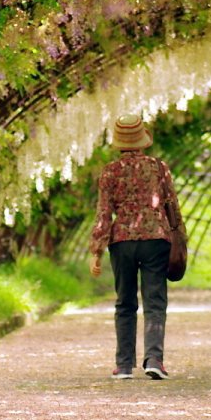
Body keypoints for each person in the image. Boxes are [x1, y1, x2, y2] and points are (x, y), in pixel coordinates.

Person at [89, 114, 185, 380]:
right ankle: (154, 359)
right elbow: (172, 206)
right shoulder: (158, 167)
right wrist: (181, 239)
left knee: (125, 303)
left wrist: (96, 250)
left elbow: (104, 214)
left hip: (122, 242)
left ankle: (124, 365)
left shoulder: (110, 171)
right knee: (154, 301)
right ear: (143, 141)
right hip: (156, 239)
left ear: (119, 142)